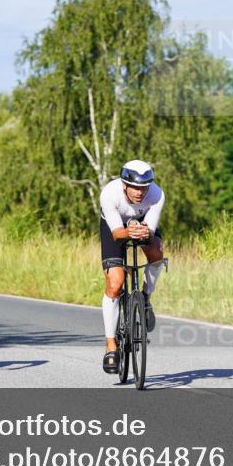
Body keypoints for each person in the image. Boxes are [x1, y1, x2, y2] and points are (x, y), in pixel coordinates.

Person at [99, 160, 165, 374]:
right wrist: (129, 231)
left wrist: (145, 232)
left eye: (144, 187)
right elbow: (117, 233)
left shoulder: (157, 194)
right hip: (115, 227)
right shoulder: (109, 194)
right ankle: (111, 347)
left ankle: (145, 297)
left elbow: (151, 229)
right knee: (115, 283)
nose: (140, 192)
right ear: (124, 184)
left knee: (156, 252)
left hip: (142, 223)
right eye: (135, 187)